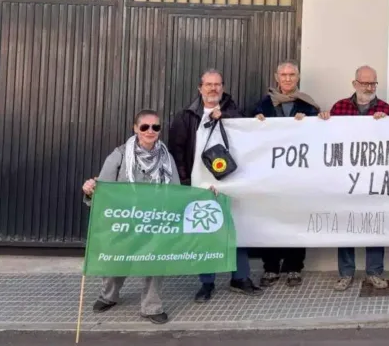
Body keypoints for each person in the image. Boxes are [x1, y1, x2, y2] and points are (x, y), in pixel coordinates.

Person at [167, 69, 260, 302]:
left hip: (231, 182)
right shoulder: (186, 117)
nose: (213, 89)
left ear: (223, 88)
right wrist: (186, 183)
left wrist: (226, 115)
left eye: (217, 84)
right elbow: (177, 153)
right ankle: (206, 283)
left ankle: (240, 278)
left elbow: (249, 135)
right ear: (200, 88)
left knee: (236, 230)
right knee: (205, 233)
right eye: (208, 84)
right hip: (199, 185)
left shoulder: (234, 113)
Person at [82, 110, 180, 324]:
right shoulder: (119, 154)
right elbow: (104, 187)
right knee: (117, 258)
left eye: (155, 127)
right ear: (135, 128)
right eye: (144, 126)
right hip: (125, 218)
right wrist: (91, 190)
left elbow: (176, 190)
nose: (150, 131)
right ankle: (109, 295)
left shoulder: (167, 157)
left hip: (155, 220)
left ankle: (151, 306)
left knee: (156, 261)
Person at [319, 65, 389, 291]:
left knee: (375, 224)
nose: (370, 88)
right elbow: (327, 138)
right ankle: (346, 273)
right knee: (346, 223)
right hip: (345, 178)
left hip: (375, 178)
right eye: (365, 83)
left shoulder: (385, 109)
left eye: (373, 83)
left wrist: (387, 124)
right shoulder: (339, 107)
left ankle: (374, 272)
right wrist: (322, 120)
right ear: (355, 84)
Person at [253, 60, 321, 288]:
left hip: (298, 175)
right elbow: (249, 134)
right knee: (270, 220)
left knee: (295, 219)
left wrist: (311, 122)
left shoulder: (308, 105)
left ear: (298, 77)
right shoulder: (263, 105)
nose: (288, 78)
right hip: (270, 175)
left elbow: (321, 132)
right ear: (276, 78)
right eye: (283, 75)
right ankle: (271, 268)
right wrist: (257, 123)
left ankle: (294, 267)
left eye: (292, 75)